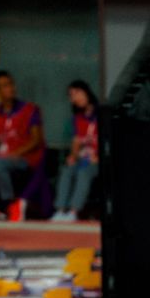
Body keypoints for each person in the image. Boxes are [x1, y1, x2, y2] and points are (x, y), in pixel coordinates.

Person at [0, 70, 46, 217]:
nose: (11, 88)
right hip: (4, 158)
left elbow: (36, 140)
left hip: (25, 158)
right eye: (5, 86)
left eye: (11, 84)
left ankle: (7, 205)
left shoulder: (30, 110)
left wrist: (15, 153)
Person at [52, 80, 99, 221]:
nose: (75, 98)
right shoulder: (77, 118)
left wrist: (98, 157)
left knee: (83, 173)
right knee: (67, 170)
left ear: (86, 92)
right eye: (71, 95)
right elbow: (76, 142)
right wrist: (73, 156)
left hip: (96, 161)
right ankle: (60, 210)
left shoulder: (100, 114)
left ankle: (73, 211)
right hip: (82, 158)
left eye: (77, 93)